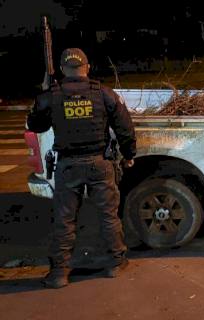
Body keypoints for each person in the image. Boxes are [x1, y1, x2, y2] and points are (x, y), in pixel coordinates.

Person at [27, 48, 136, 289]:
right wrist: (129, 156)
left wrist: (44, 94)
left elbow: (36, 125)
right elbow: (125, 128)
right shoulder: (104, 94)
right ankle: (115, 263)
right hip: (100, 163)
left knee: (64, 220)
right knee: (108, 216)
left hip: (68, 166)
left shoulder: (51, 96)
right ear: (86, 68)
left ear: (63, 70)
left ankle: (58, 273)